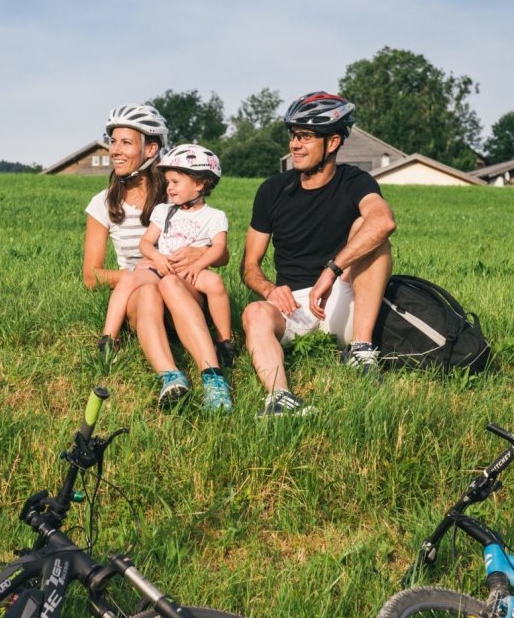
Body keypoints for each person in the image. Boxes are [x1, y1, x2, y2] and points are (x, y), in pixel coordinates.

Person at [240, 91, 396, 416]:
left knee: (366, 229)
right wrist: (270, 290)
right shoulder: (271, 191)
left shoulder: (355, 181)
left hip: (342, 298)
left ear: (333, 142)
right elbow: (249, 267)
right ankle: (280, 399)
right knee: (254, 312)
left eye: (306, 136)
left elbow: (383, 221)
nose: (295, 144)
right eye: (294, 136)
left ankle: (361, 350)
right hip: (293, 306)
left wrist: (331, 270)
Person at [84, 106, 233, 412]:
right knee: (150, 289)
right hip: (140, 292)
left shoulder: (176, 193)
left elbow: (222, 255)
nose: (115, 150)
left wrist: (201, 253)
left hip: (181, 287)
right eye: (113, 141)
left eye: (125, 142)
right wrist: (134, 275)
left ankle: (213, 375)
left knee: (171, 285)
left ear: (150, 148)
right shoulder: (102, 203)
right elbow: (91, 276)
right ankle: (171, 376)